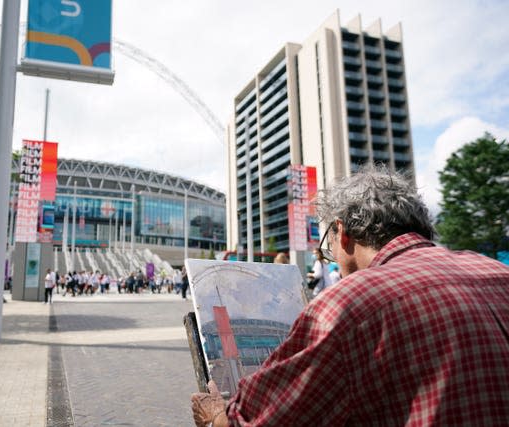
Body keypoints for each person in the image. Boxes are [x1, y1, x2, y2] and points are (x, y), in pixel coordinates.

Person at [190, 166, 509, 426]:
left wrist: (216, 416)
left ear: (343, 233)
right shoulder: (498, 273)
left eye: (328, 246)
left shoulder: (349, 304)